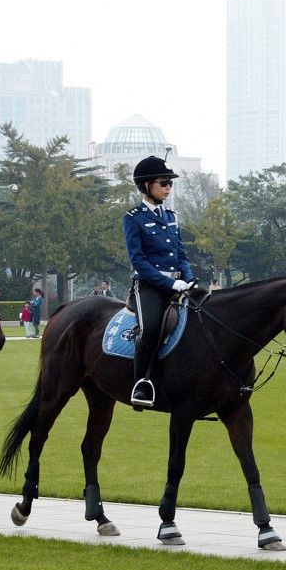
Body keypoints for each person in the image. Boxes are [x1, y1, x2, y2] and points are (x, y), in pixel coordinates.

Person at [123, 155, 195, 407]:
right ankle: (140, 384)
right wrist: (170, 284)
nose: (168, 187)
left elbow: (182, 255)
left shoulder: (172, 217)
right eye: (163, 182)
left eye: (170, 183)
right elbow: (139, 262)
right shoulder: (133, 218)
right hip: (149, 287)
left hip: (179, 284)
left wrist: (189, 279)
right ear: (146, 186)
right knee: (151, 328)